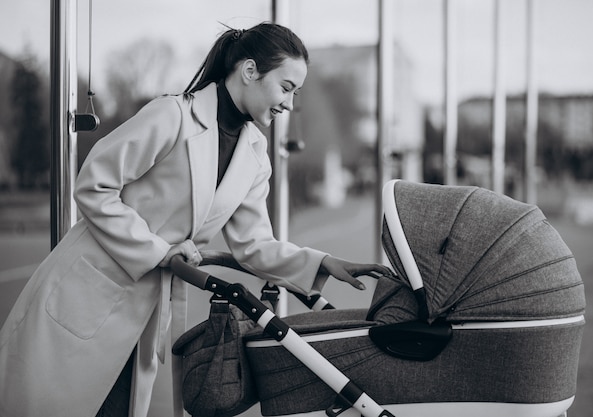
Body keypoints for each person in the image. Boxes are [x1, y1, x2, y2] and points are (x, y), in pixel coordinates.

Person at [0, 22, 392, 417]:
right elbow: (94, 186)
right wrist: (159, 251)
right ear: (250, 71)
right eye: (286, 88)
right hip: (88, 290)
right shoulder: (171, 116)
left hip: (144, 311)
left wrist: (323, 262)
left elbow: (254, 245)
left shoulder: (255, 156)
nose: (289, 104)